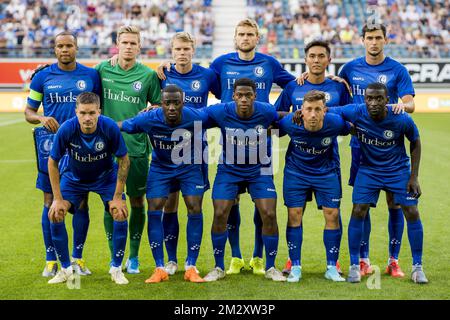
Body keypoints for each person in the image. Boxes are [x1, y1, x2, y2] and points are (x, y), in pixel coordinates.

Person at [328, 83, 427, 284]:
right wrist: (301, 112)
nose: (373, 103)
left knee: (412, 211)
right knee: (358, 210)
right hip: (369, 170)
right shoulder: (356, 111)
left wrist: (414, 176)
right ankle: (355, 265)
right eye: (369, 98)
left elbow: (415, 142)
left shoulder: (401, 118)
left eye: (378, 99)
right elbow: (327, 109)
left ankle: (417, 267)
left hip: (397, 170)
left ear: (387, 100)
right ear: (364, 100)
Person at [338, 23, 416, 277]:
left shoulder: (397, 69)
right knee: (362, 204)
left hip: (389, 144)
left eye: (378, 38)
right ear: (362, 40)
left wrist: (402, 106)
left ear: (385, 40)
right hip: (360, 145)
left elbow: (410, 102)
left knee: (395, 204)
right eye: (369, 38)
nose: (374, 42)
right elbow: (339, 98)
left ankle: (394, 261)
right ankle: (363, 259)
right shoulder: (349, 68)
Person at [24, 31, 100, 277]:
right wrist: (42, 117)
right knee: (49, 201)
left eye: (69, 45)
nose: (64, 49)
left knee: (80, 203)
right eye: (60, 46)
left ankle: (77, 258)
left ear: (77, 47)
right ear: (54, 49)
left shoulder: (91, 75)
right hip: (52, 148)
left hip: (82, 148)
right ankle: (50, 260)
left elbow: (100, 110)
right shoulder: (42, 77)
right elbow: (28, 112)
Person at [274, 40, 351, 274]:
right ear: (306, 59)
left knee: (332, 213)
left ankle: (333, 264)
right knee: (295, 213)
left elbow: (351, 118)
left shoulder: (338, 88)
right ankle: (292, 262)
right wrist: (291, 116)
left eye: (321, 56)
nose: (316, 60)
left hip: (328, 161)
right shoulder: (292, 87)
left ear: (329, 60)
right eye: (312, 56)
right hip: (297, 163)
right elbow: (276, 120)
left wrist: (329, 116)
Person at [119, 85, 207, 283]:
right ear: (161, 104)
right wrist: (95, 122)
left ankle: (191, 266)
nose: (172, 107)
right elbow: (123, 125)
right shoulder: (149, 118)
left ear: (183, 103)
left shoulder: (196, 116)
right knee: (155, 208)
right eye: (168, 103)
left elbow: (222, 116)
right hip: (161, 168)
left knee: (194, 207)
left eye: (176, 103)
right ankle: (160, 268)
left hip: (189, 166)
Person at [202, 78, 287, 282]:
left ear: (254, 96)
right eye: (239, 95)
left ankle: (270, 267)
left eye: (248, 95)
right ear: (233, 96)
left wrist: (299, 115)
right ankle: (218, 267)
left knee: (268, 212)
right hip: (229, 170)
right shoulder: (221, 110)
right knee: (221, 212)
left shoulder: (265, 111)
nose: (244, 99)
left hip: (260, 170)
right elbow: (195, 115)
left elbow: (281, 118)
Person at [95, 25, 161, 274]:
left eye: (134, 43)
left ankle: (133, 256)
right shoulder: (102, 69)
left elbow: (157, 104)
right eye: (125, 42)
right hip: (105, 150)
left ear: (139, 46)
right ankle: (115, 255)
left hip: (135, 148)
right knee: (109, 203)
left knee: (135, 202)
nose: (129, 47)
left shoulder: (148, 75)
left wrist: (152, 109)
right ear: (117, 44)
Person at [46, 92, 130, 285]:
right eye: (83, 113)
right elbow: (52, 162)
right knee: (56, 212)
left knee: (120, 211)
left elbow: (124, 160)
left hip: (105, 178)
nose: (87, 118)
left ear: (98, 112)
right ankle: (66, 269)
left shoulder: (108, 126)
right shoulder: (67, 128)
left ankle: (116, 268)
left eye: (92, 113)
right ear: (76, 111)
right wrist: (57, 198)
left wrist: (117, 196)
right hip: (75, 178)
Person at [158, 32, 220, 275]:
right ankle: (171, 260)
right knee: (169, 205)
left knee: (194, 205)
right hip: (166, 150)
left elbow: (226, 95)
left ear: (193, 50)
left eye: (186, 49)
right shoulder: (162, 74)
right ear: (172, 51)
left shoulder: (207, 75)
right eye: (178, 49)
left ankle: (191, 261)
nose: (182, 53)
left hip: (196, 149)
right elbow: (153, 104)